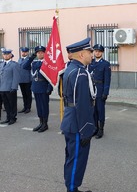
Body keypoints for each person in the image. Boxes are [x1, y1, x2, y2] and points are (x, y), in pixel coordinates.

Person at [60, 37, 96, 192]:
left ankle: (72, 187)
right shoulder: (80, 73)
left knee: (71, 158)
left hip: (70, 120)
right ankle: (72, 189)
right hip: (77, 124)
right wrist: (86, 129)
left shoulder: (69, 69)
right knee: (76, 160)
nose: (92, 55)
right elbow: (82, 105)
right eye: (89, 52)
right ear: (81, 54)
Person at [23, 46, 53, 133]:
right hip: (36, 87)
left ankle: (45, 124)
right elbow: (25, 67)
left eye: (41, 52)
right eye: (38, 52)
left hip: (44, 87)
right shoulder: (34, 63)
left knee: (44, 106)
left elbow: (51, 76)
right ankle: (41, 122)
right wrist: (31, 57)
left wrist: (49, 87)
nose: (40, 54)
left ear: (45, 53)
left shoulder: (48, 63)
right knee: (39, 107)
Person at [88, 44, 111, 139]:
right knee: (93, 111)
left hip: (100, 89)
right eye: (95, 51)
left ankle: (101, 129)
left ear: (102, 52)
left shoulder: (105, 64)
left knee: (100, 110)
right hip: (91, 89)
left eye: (99, 51)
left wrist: (105, 93)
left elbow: (107, 80)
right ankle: (95, 128)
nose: (97, 52)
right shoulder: (90, 62)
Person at [0, 49, 20, 125]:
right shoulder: (1, 64)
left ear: (11, 55)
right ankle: (8, 118)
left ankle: (13, 118)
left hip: (10, 88)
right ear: (3, 55)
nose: (6, 55)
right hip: (2, 88)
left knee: (12, 104)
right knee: (6, 104)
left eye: (7, 54)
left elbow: (16, 77)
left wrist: (14, 87)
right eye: (4, 54)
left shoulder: (14, 65)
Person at [18, 47, 32, 113]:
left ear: (28, 52)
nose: (24, 53)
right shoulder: (19, 60)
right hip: (21, 80)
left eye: (25, 52)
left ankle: (28, 107)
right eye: (23, 52)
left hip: (27, 80)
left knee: (28, 94)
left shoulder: (29, 59)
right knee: (23, 94)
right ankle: (25, 107)